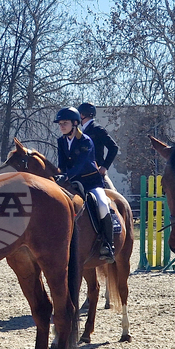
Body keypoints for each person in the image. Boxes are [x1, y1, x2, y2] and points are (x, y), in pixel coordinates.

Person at [53, 107, 114, 262]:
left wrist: (66, 175)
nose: (61, 126)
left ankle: (108, 244)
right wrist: (59, 175)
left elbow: (81, 164)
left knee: (102, 204)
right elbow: (62, 163)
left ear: (75, 123)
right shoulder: (61, 141)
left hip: (90, 182)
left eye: (64, 123)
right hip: (72, 181)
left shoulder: (86, 140)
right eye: (60, 124)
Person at [78, 103, 119, 189]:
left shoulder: (98, 129)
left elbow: (113, 147)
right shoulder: (79, 131)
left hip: (97, 172)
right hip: (81, 172)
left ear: (82, 115)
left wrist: (105, 166)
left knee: (113, 195)